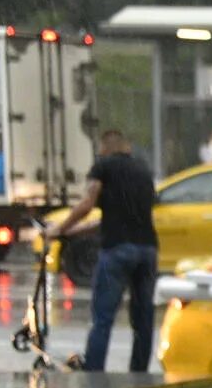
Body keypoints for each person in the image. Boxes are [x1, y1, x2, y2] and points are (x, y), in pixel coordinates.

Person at [45, 129, 159, 373]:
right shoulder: (143, 171)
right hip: (147, 250)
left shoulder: (103, 167)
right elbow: (116, 217)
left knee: (102, 319)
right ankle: (139, 375)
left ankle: (94, 375)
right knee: (143, 320)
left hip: (117, 250)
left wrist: (59, 229)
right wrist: (75, 230)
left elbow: (87, 204)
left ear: (105, 148)